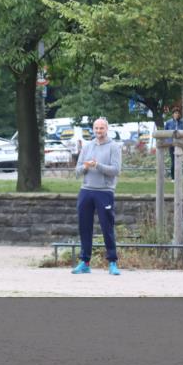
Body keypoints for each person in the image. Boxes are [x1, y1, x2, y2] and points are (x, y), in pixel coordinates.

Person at [72, 117, 123, 276]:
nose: (98, 131)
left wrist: (98, 165)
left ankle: (112, 262)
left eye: (101, 128)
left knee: (107, 227)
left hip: (105, 191)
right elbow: (77, 171)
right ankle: (85, 262)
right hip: (86, 190)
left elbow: (116, 170)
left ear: (107, 129)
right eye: (96, 128)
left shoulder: (114, 147)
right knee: (84, 227)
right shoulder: (87, 147)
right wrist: (85, 167)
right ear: (93, 129)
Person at [163, 109, 183, 180]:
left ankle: (179, 176)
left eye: (178, 113)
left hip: (180, 144)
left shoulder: (182, 122)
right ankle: (173, 177)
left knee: (179, 160)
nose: (177, 115)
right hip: (171, 144)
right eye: (175, 113)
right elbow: (165, 132)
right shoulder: (168, 122)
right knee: (173, 160)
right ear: (173, 114)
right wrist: (167, 142)